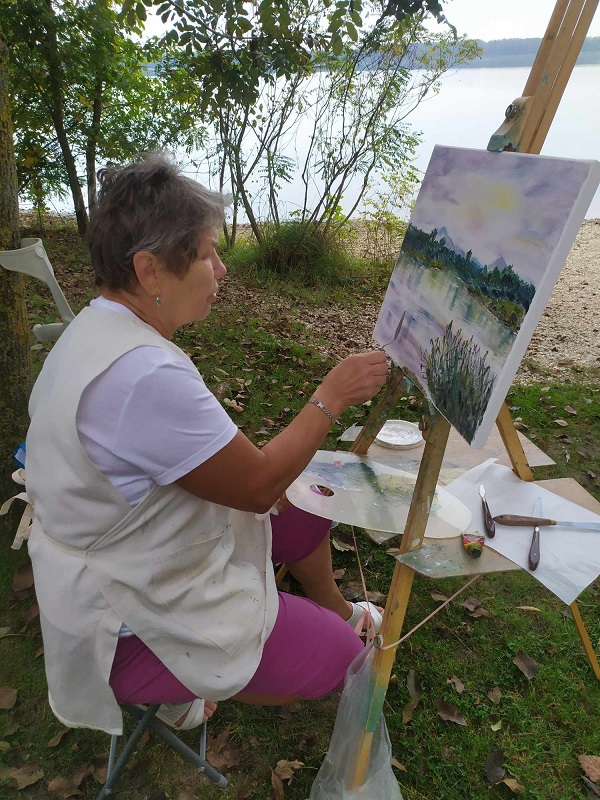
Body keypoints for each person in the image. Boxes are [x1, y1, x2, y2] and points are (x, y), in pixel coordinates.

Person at [24, 153, 388, 736]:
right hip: (127, 614)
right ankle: (186, 683)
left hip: (131, 550)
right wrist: (330, 397)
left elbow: (220, 467)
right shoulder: (141, 373)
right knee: (338, 660)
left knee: (309, 498)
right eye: (207, 254)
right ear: (150, 270)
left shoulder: (97, 328)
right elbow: (258, 486)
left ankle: (338, 610)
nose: (221, 270)